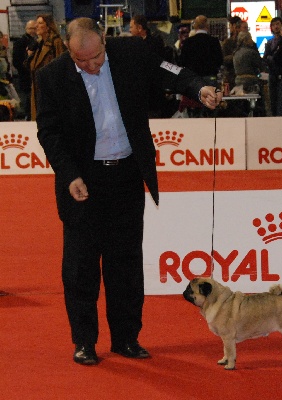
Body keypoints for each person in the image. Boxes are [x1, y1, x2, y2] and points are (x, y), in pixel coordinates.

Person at [35, 17, 222, 366]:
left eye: (96, 58)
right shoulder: (52, 76)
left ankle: (126, 338)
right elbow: (49, 132)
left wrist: (199, 89)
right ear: (69, 51)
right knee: (81, 268)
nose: (90, 66)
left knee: (126, 265)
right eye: (81, 61)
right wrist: (69, 174)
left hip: (126, 175)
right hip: (83, 181)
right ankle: (85, 342)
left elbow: (172, 71)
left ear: (104, 40)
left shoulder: (132, 52)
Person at [179, 15, 223, 117]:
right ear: (207, 26)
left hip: (193, 80)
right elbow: (219, 60)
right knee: (211, 107)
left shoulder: (188, 42)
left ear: (195, 26)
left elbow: (182, 62)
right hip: (210, 78)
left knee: (194, 108)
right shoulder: (214, 42)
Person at [25, 14, 66, 120]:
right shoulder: (39, 44)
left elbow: (62, 66)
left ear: (48, 26)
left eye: (40, 23)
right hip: (38, 87)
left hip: (50, 89)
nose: (36, 26)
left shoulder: (55, 42)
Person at [12, 20, 37, 120]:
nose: (33, 31)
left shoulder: (35, 41)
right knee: (27, 100)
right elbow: (16, 61)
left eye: (34, 28)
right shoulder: (21, 42)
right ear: (26, 29)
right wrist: (26, 69)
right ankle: (27, 117)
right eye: (31, 28)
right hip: (26, 76)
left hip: (29, 76)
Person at [263, 17, 282, 116]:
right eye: (274, 25)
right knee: (272, 98)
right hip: (272, 73)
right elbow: (265, 58)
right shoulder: (269, 43)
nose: (276, 27)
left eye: (278, 24)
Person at [221, 16, 242, 90]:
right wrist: (235, 57)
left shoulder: (247, 42)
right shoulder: (227, 43)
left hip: (239, 76)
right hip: (231, 76)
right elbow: (223, 59)